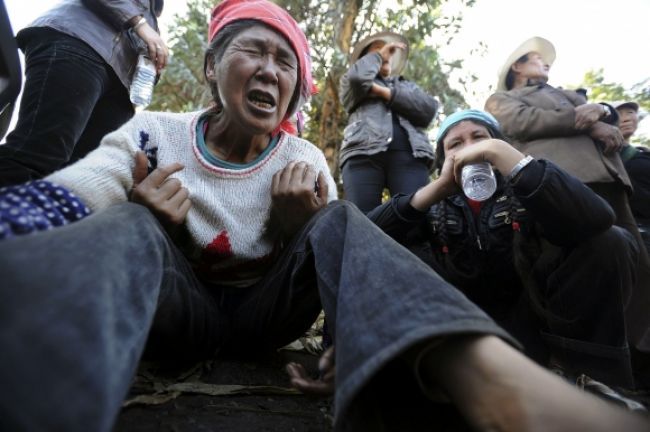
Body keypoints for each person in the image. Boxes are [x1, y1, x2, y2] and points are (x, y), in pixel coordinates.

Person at [0, 4, 648, 431]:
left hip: (265, 316)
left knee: (337, 222)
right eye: (253, 52)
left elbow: (343, 256)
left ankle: (490, 381)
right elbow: (68, 194)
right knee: (132, 223)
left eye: (286, 63)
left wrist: (307, 258)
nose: (270, 71)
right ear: (211, 67)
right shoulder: (154, 136)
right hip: (180, 313)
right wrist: (149, 218)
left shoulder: (303, 154)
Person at [352, 109, 641, 392]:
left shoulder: (529, 189)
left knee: (611, 241)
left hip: (534, 333)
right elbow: (360, 238)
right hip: (461, 337)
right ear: (442, 159)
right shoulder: (431, 207)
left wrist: (516, 164)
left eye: (480, 137)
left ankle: (585, 380)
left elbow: (598, 220)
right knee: (403, 252)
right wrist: (435, 190)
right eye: (455, 143)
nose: (471, 148)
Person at [484, 37, 650, 368]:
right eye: (536, 58)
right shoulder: (502, 99)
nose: (545, 64)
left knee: (639, 267)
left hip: (610, 180)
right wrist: (587, 119)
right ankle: (578, 359)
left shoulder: (567, 93)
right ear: (516, 66)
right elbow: (522, 122)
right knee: (578, 262)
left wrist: (602, 111)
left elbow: (606, 114)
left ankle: (637, 358)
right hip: (565, 182)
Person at [0, 0, 168, 187]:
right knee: (37, 155)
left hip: (120, 85)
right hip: (79, 41)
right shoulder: (145, 19)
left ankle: (34, 214)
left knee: (76, 178)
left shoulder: (155, 9)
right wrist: (140, 24)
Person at [338, 31, 438, 212]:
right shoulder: (350, 81)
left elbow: (428, 109)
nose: (386, 53)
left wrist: (382, 92)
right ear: (365, 60)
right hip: (362, 153)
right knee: (361, 220)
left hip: (411, 156)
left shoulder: (406, 86)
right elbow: (359, 79)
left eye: (388, 52)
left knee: (417, 220)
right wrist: (379, 55)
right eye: (376, 50)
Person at [612, 100, 650, 251]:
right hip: (635, 236)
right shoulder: (603, 158)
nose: (626, 118)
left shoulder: (642, 153)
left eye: (630, 112)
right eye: (619, 114)